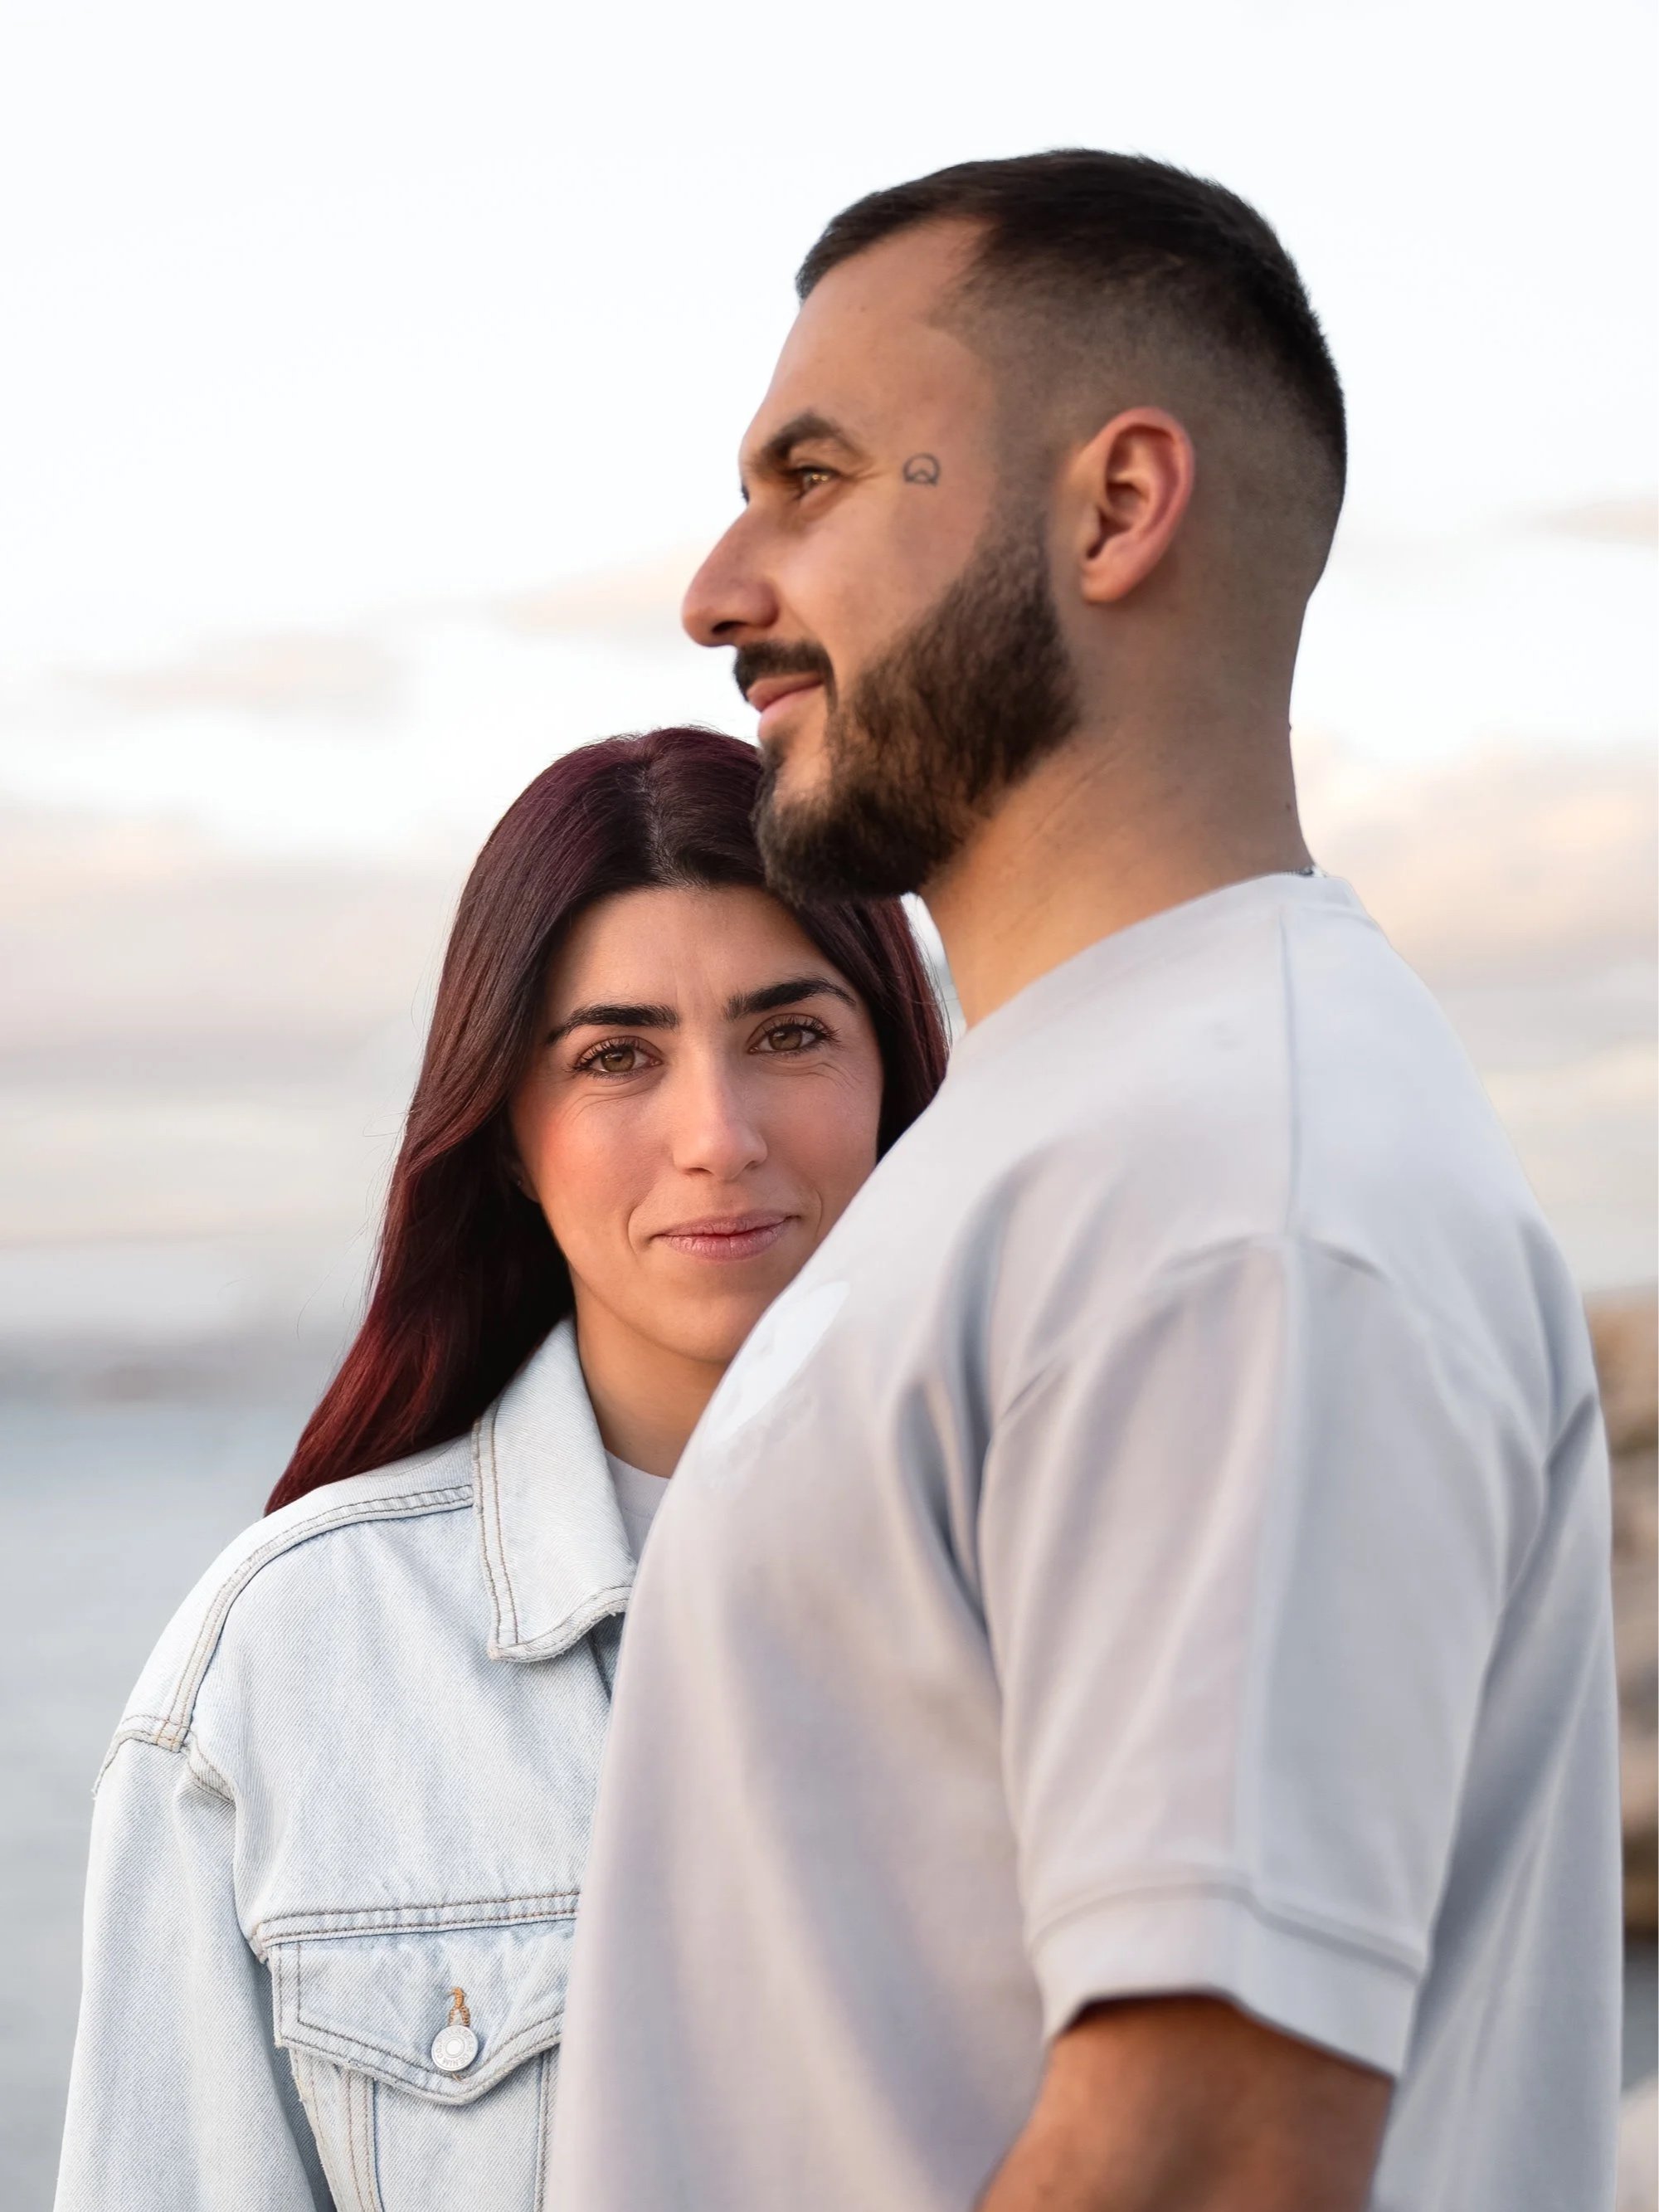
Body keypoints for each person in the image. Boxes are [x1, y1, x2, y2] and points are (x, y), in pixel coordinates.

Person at [547, 154, 1623, 2212]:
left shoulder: (1228, 1191)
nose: (717, 584)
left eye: (819, 476)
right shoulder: (1088, 1140)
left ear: (1117, 507)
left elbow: (1205, 2153)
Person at [51, 726, 947, 2210]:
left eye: (790, 1033)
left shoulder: (1089, 1583)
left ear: (893, 1076)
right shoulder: (284, 1668)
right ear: (512, 1136)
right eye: (617, 1056)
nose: (717, 1136)